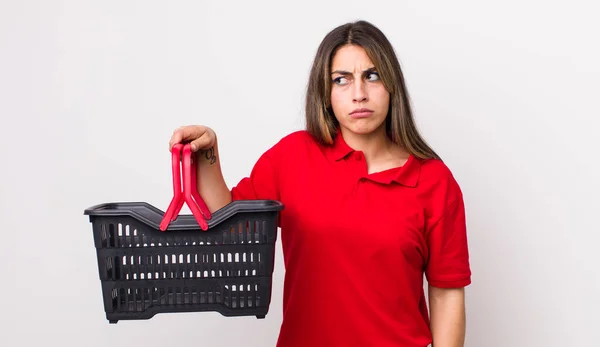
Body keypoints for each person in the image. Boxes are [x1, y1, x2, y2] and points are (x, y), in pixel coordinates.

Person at [169, 20, 471, 347]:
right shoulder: (293, 156)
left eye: (372, 76)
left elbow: (445, 293)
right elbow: (231, 226)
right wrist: (207, 155)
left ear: (392, 84)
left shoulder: (434, 181)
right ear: (325, 93)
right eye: (342, 80)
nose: (359, 94)